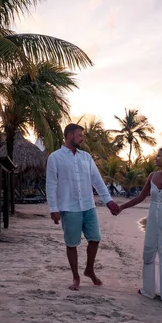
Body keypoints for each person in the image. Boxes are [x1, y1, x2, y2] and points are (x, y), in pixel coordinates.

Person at [46, 123, 120, 291]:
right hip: (68, 207)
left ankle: (89, 270)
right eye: (79, 135)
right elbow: (51, 185)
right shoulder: (55, 158)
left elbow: (97, 181)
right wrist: (53, 209)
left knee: (95, 238)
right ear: (70, 135)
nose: (82, 138)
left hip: (88, 205)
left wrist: (108, 201)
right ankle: (76, 277)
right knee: (72, 244)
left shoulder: (86, 157)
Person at [118, 147, 162, 305]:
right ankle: (149, 290)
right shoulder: (152, 176)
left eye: (159, 156)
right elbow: (141, 197)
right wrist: (122, 207)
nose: (156, 158)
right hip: (153, 221)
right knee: (150, 250)